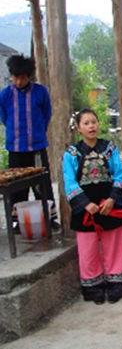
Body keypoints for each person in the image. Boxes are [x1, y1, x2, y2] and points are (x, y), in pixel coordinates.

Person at [62, 109, 122, 304]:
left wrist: (112, 200)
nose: (91, 126)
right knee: (88, 248)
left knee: (114, 244)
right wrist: (85, 204)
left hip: (109, 204)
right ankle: (93, 286)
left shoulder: (109, 149)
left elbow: (120, 174)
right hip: (86, 210)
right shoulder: (71, 154)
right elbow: (69, 182)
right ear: (78, 128)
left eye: (94, 122)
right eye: (86, 123)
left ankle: (117, 283)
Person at [0, 55, 57, 230]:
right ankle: (17, 222)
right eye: (16, 77)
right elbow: (4, 117)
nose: (19, 81)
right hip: (16, 149)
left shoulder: (41, 92)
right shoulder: (5, 95)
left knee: (43, 183)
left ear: (29, 76)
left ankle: (49, 219)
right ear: (11, 76)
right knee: (17, 186)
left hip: (37, 148)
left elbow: (46, 114)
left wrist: (37, 132)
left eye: (23, 78)